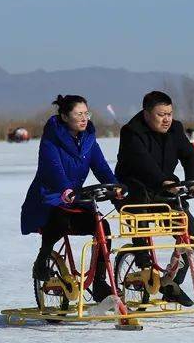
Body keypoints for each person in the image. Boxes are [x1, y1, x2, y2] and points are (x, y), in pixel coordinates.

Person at [20, 95, 120, 307]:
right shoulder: (51, 138)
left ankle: (100, 282)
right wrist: (65, 188)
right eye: (78, 114)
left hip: (74, 197)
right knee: (59, 217)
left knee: (102, 225)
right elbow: (53, 167)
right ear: (65, 116)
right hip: (49, 196)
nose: (84, 118)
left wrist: (115, 186)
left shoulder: (89, 139)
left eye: (86, 113)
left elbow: (100, 166)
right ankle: (43, 258)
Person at [114, 91, 194, 307]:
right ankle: (144, 269)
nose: (167, 119)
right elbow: (143, 163)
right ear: (146, 113)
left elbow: (189, 156)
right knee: (141, 226)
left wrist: (193, 182)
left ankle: (172, 282)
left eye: (170, 114)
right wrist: (164, 182)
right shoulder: (131, 132)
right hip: (135, 191)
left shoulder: (176, 129)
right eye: (161, 114)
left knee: (192, 232)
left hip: (164, 192)